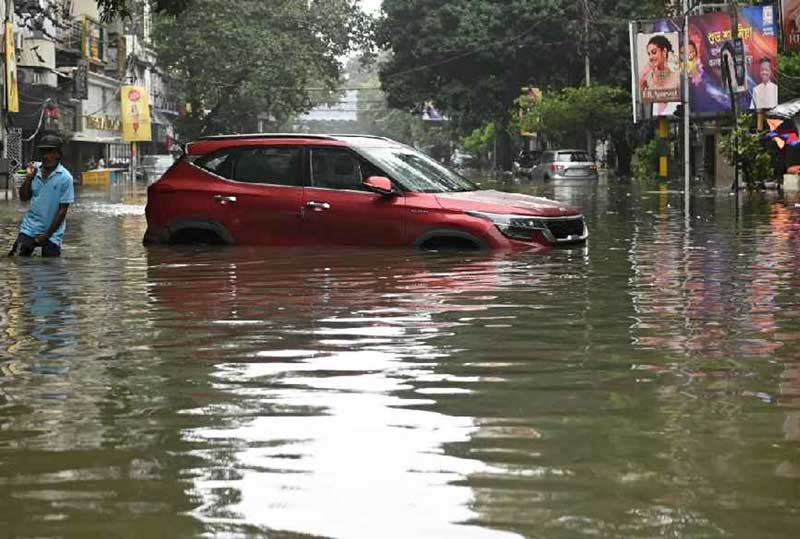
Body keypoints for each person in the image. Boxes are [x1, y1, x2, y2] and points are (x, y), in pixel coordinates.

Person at [9, 134, 75, 257]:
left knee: (50, 265)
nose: (45, 156)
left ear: (58, 154)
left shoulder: (65, 178)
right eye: (43, 151)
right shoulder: (34, 171)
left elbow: (62, 211)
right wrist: (29, 178)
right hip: (29, 228)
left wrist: (47, 235)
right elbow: (24, 198)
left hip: (53, 233)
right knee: (15, 258)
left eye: (50, 151)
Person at [639, 34, 680, 98]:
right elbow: (640, 98)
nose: (650, 57)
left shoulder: (677, 79)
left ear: (664, 51)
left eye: (654, 52)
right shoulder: (647, 78)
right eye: (649, 54)